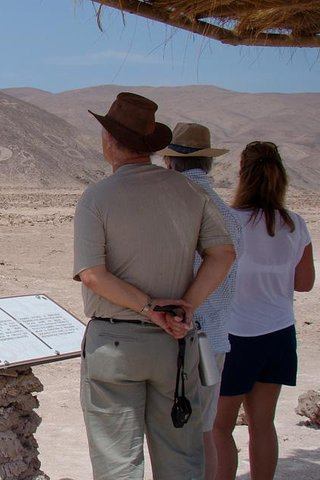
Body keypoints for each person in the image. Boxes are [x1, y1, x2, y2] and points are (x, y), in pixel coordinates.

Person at [74, 92, 236, 480]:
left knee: (118, 464)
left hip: (116, 344)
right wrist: (186, 306)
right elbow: (224, 254)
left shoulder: (97, 198)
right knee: (181, 459)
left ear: (108, 141)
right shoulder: (189, 192)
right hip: (176, 346)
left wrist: (149, 309)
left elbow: (94, 275)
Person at [213, 141, 315, 480]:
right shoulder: (295, 224)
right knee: (263, 425)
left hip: (237, 336)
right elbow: (304, 283)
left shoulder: (229, 221)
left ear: (242, 174)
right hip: (280, 333)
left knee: (221, 428)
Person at [158, 122, 242, 480]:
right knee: (204, 430)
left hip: (180, 335)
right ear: (208, 164)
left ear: (170, 162)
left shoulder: (175, 207)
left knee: (174, 435)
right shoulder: (230, 215)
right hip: (218, 336)